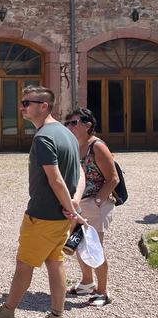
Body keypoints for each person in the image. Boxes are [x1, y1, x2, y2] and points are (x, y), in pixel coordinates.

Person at [0, 85, 86, 318]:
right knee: (55, 262)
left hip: (43, 215)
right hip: (60, 216)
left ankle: (7, 312)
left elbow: (56, 179)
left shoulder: (44, 138)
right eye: (22, 102)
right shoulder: (66, 134)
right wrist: (73, 204)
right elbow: (80, 173)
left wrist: (70, 205)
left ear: (44, 106)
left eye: (27, 103)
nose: (22, 107)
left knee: (24, 265)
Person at [63, 107, 118, 307]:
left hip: (97, 203)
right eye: (67, 123)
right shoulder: (75, 145)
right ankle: (87, 282)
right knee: (77, 244)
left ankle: (103, 291)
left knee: (95, 246)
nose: (69, 126)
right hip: (80, 203)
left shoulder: (97, 146)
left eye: (74, 123)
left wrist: (96, 201)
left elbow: (113, 179)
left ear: (88, 125)